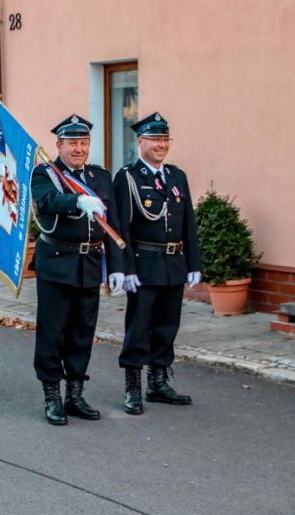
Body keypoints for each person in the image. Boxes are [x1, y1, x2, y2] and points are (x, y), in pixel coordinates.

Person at [30, 114, 125, 425]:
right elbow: (47, 201)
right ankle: (52, 395)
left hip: (89, 263)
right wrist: (77, 201)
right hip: (57, 261)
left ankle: (75, 393)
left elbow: (112, 222)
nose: (79, 149)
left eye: (83, 143)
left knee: (82, 332)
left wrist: (117, 267)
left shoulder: (100, 176)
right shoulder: (45, 173)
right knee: (52, 331)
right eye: (72, 143)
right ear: (59, 145)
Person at [112, 112, 201, 415]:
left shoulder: (177, 176)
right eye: (155, 139)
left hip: (174, 263)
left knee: (167, 326)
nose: (162, 145)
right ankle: (133, 387)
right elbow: (121, 227)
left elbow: (188, 221)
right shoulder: (128, 177)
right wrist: (124, 269)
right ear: (141, 142)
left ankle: (158, 382)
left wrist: (193, 262)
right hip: (144, 264)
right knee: (139, 327)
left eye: (165, 139)